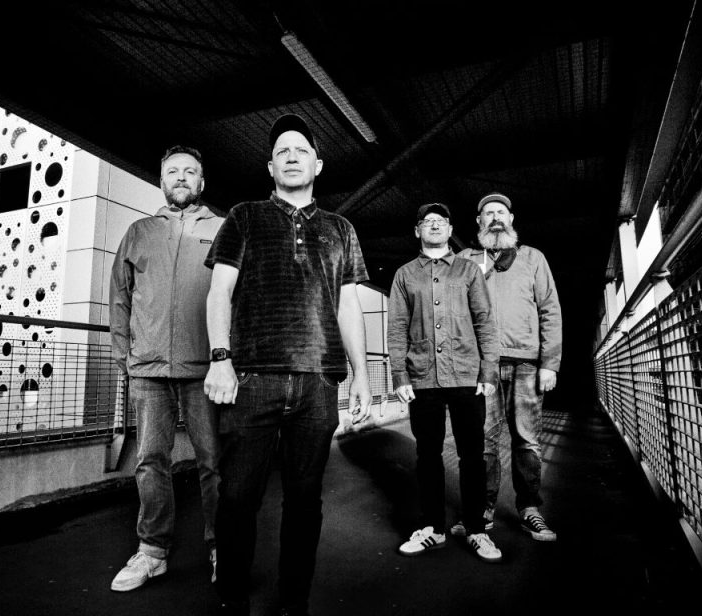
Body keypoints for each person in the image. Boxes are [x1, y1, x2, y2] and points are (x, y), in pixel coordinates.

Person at [203, 113, 371, 616]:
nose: (292, 156)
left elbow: (348, 305)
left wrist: (362, 375)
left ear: (317, 165)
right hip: (252, 378)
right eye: (282, 151)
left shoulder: (341, 228)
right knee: (238, 497)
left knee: (304, 499)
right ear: (270, 167)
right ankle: (232, 597)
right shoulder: (244, 216)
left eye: (302, 150)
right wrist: (220, 358)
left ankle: (294, 601)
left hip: (319, 382)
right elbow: (219, 291)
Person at [108, 145, 223, 591]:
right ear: (161, 182)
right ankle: (152, 552)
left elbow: (238, 296)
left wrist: (230, 359)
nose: (181, 177)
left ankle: (221, 548)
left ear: (202, 182)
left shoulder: (222, 228)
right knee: (151, 461)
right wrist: (126, 356)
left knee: (214, 462)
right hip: (148, 370)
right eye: (173, 171)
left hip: (206, 369)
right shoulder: (139, 232)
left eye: (190, 172)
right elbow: (119, 297)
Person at [387, 202, 503, 562]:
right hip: (423, 377)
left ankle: (476, 529)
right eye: (427, 221)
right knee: (427, 455)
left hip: (467, 374)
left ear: (451, 230)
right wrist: (400, 375)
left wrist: (488, 370)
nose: (435, 226)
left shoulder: (468, 271)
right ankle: (432, 528)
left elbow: (485, 321)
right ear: (417, 231)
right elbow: (397, 327)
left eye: (441, 221)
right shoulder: (405, 274)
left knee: (472, 455)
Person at [457, 191, 562, 542]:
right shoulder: (466, 259)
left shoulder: (533, 258)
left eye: (501, 212)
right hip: (482, 364)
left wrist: (550, 363)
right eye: (488, 213)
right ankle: (483, 509)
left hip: (527, 362)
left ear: (511, 219)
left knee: (527, 441)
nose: (495, 218)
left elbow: (550, 310)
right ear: (479, 222)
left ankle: (530, 508)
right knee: (484, 441)